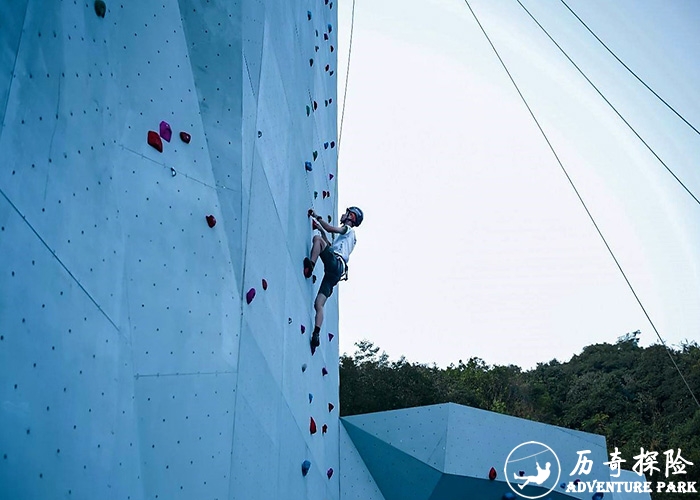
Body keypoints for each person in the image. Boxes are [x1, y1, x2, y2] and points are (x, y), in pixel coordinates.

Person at [303, 206, 363, 352]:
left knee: (316, 239)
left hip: (335, 263)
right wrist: (321, 230)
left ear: (351, 217)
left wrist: (317, 217)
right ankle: (316, 334)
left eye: (346, 213)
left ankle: (311, 265)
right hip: (336, 273)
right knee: (319, 303)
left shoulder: (348, 229)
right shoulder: (347, 240)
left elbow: (330, 229)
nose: (343, 215)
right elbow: (328, 245)